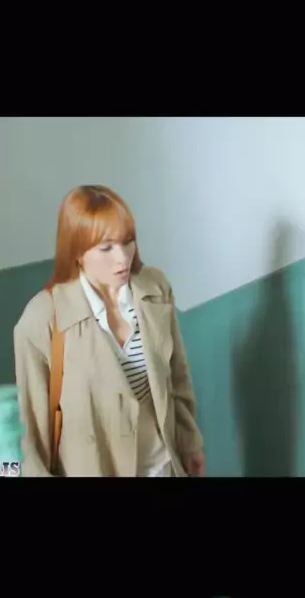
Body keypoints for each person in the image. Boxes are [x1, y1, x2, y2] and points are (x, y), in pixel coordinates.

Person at [14, 185, 206, 477]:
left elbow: (178, 378)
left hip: (164, 466)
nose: (123, 258)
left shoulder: (154, 288)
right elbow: (31, 436)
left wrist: (190, 445)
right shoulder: (42, 318)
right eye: (106, 248)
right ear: (78, 252)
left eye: (128, 242)